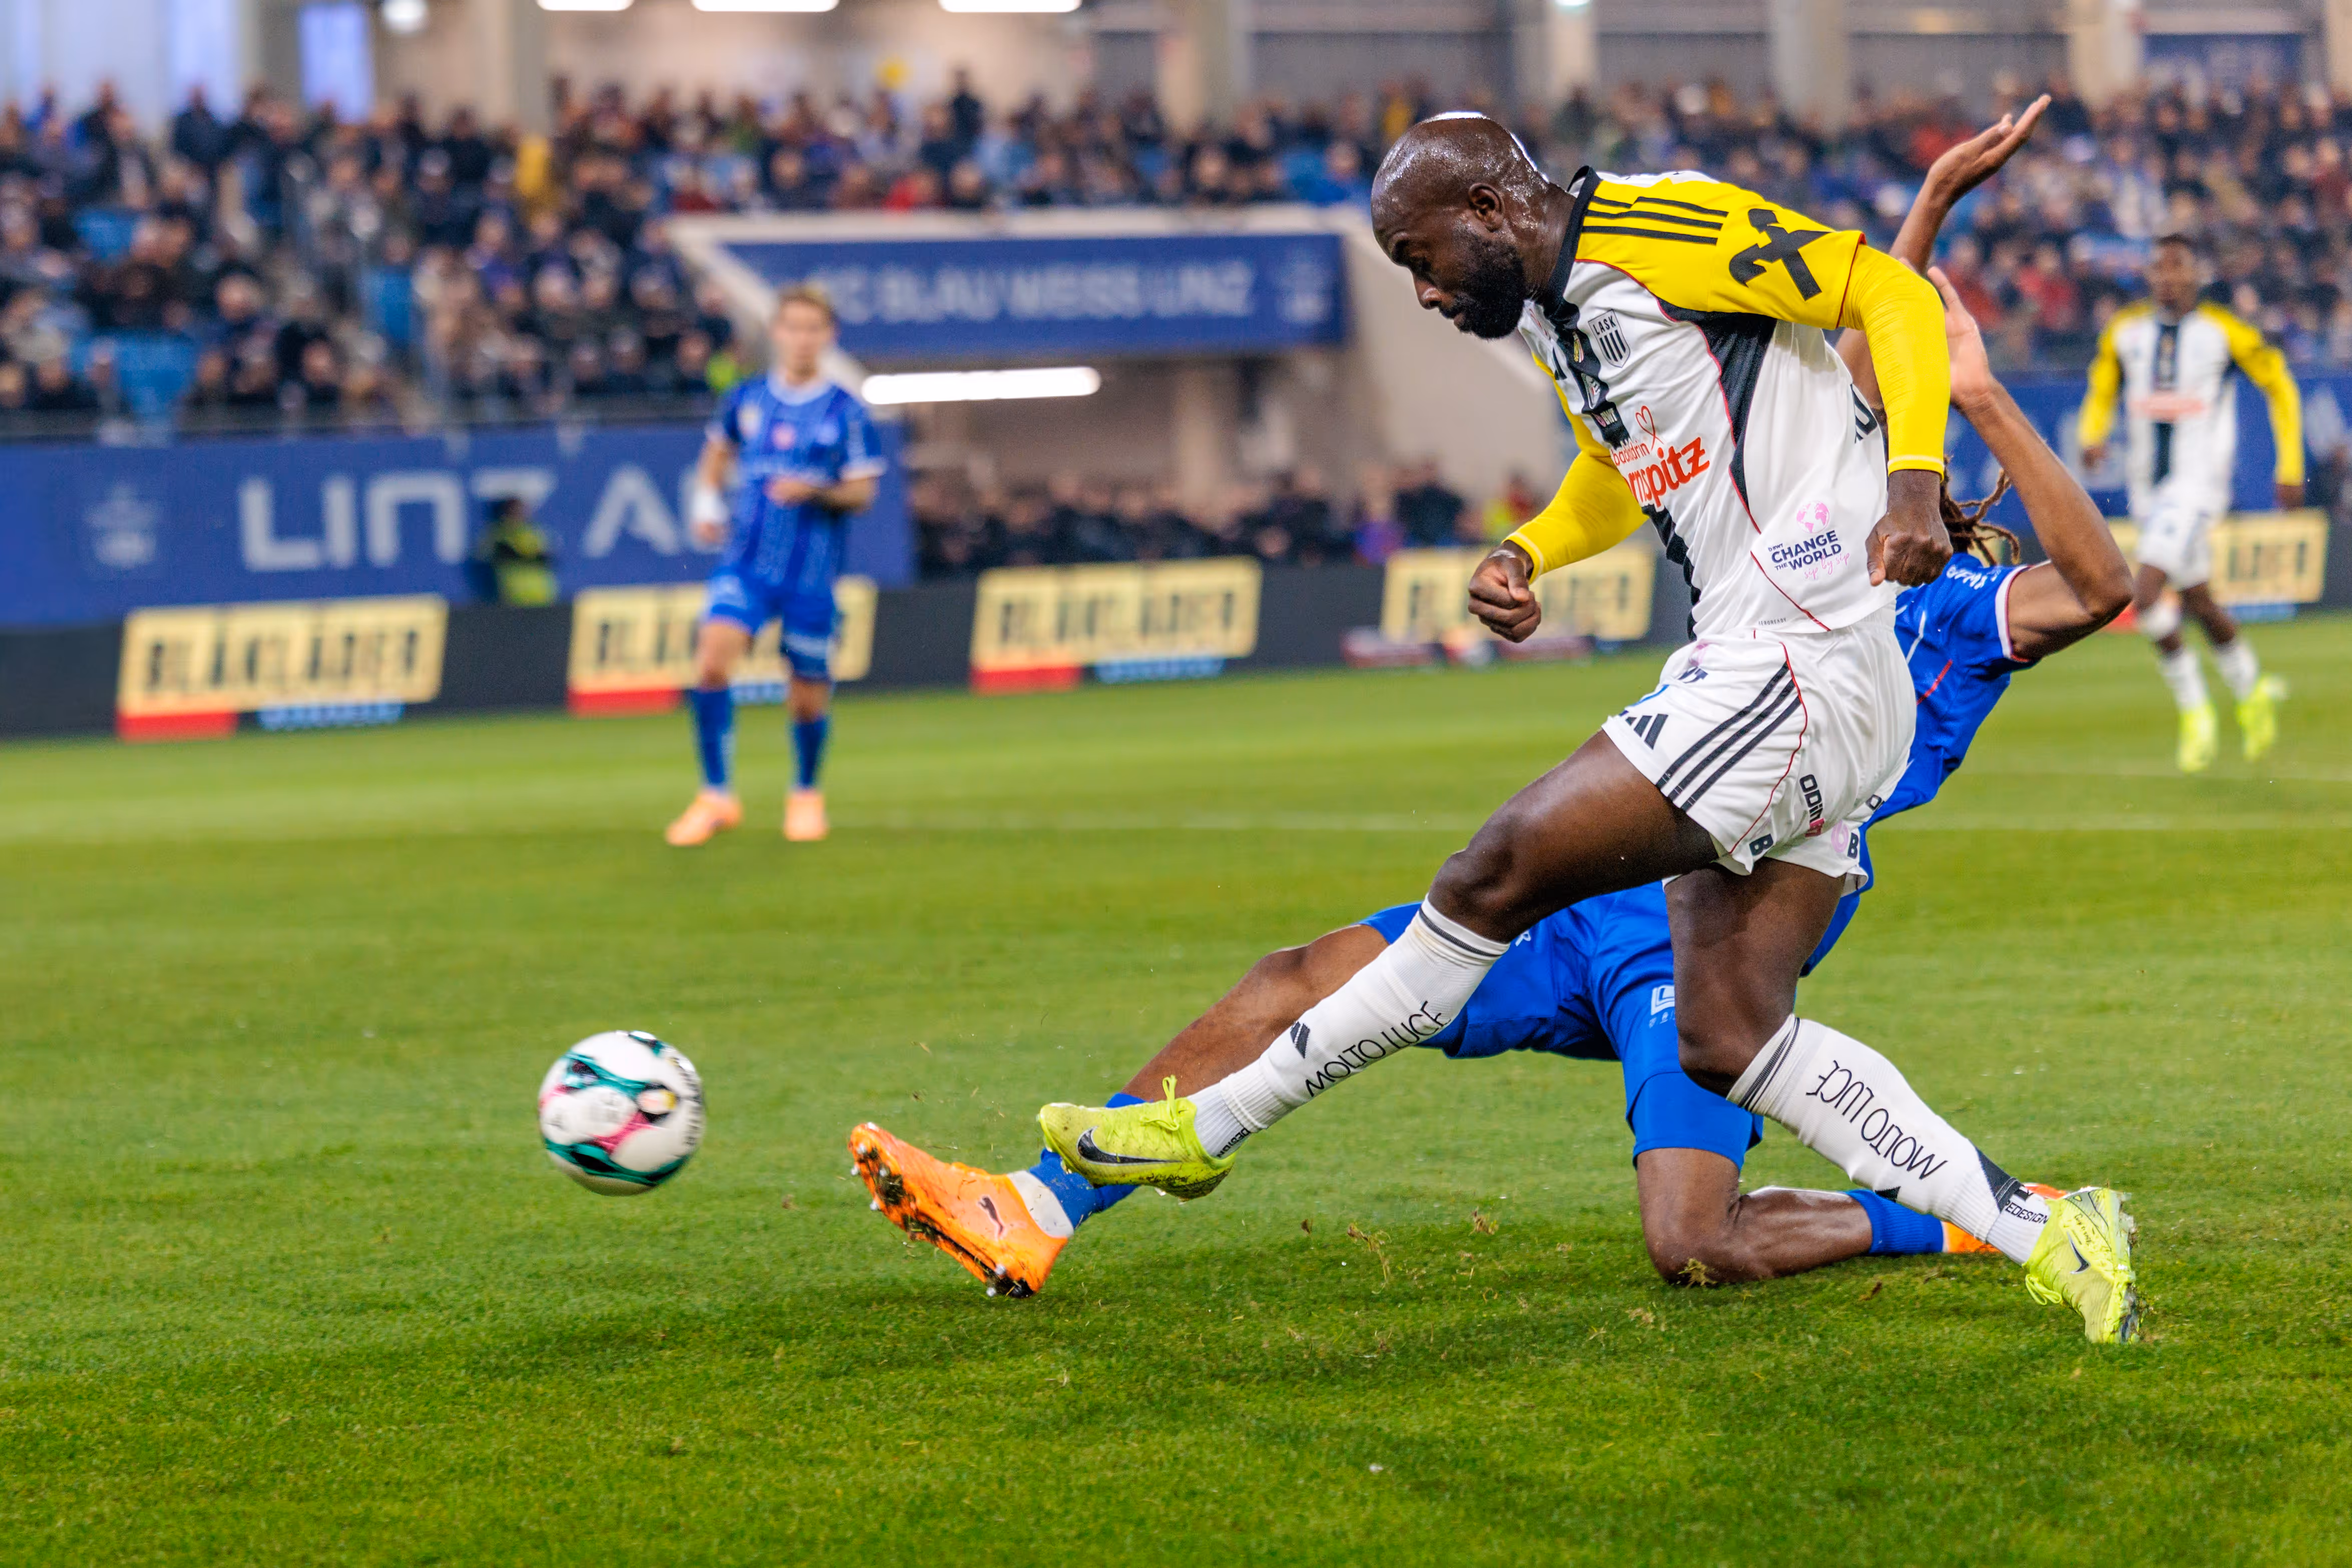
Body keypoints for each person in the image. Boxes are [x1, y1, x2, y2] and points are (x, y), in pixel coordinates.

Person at [853, 103, 2142, 1343]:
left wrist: (1915, 478)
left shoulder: (1661, 229)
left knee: (1489, 875)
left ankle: (1209, 1129)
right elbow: (1622, 462)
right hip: (1794, 696)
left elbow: (1892, 298)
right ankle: (2043, 1228)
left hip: (1789, 661)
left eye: (1419, 260)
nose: (1419, 291)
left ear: (1488, 206)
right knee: (1731, 1036)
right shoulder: (1567, 323)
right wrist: (1532, 548)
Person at [666, 284, 883, 847]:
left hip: (811, 574)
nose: (803, 338)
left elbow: (863, 493)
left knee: (807, 692)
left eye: (814, 328)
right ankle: (716, 795)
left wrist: (816, 490)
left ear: (828, 336)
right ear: (777, 333)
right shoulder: (746, 399)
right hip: (745, 564)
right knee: (712, 663)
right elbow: (716, 453)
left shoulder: (846, 411)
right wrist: (706, 503)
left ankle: (805, 793)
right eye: (793, 327)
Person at [2079, 232, 2301, 772]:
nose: (2169, 277)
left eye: (2179, 267)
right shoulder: (2126, 331)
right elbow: (2102, 382)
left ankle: (2195, 709)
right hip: (2147, 490)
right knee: (2199, 599)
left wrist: (2290, 464)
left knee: (2146, 592)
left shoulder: (2224, 333)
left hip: (2199, 484)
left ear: (2196, 275)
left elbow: (2280, 384)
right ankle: (2251, 690)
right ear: (2150, 275)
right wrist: (2093, 432)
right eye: (2160, 268)